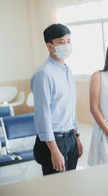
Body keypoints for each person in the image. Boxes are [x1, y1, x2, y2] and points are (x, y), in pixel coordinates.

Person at [31, 23, 83, 175]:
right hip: (53, 141)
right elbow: (43, 115)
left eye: (68, 41)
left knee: (70, 186)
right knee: (57, 189)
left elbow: (69, 107)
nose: (66, 45)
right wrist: (54, 150)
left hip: (70, 138)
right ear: (49, 46)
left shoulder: (67, 70)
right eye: (61, 42)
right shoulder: (44, 74)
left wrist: (76, 136)